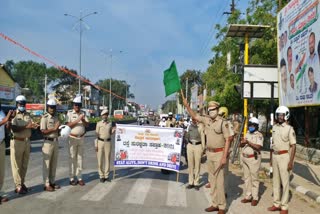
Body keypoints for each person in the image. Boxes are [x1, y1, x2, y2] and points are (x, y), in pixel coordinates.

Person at [183, 98, 231, 214]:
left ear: (217, 109)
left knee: (219, 183)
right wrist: (187, 106)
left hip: (219, 154)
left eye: (213, 109)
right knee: (213, 181)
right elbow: (195, 117)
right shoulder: (207, 120)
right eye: (209, 110)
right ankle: (214, 204)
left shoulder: (222, 123)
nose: (211, 111)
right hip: (209, 153)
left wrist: (224, 156)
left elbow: (228, 139)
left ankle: (222, 207)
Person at [267, 106, 296, 214]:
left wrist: (291, 161)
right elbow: (272, 144)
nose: (280, 117)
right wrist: (270, 159)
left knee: (285, 182)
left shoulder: (289, 129)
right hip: (275, 156)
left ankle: (284, 207)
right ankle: (276, 204)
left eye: (282, 115)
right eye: (279, 115)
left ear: (286, 115)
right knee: (275, 181)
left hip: (284, 157)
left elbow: (293, 146)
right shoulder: (274, 127)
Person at [9, 95, 39, 194]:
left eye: (23, 103)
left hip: (26, 141)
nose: (22, 105)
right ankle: (18, 186)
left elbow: (30, 125)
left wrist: (34, 125)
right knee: (16, 165)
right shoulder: (14, 114)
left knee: (24, 165)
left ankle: (22, 183)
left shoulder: (28, 114)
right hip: (17, 141)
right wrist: (27, 126)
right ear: (16, 104)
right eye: (20, 103)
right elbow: (13, 128)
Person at [240, 117, 263, 206]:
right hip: (245, 158)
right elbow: (241, 145)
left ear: (256, 126)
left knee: (254, 178)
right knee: (247, 178)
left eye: (253, 125)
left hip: (254, 159)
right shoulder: (247, 133)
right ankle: (248, 196)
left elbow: (258, 147)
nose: (251, 127)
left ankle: (255, 197)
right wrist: (242, 142)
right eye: (250, 125)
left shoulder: (259, 135)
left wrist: (248, 142)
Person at [66, 95, 89, 186]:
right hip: (72, 138)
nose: (77, 107)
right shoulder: (69, 113)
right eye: (76, 105)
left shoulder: (83, 113)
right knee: (72, 158)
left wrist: (83, 120)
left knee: (80, 159)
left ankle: (79, 177)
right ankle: (71, 178)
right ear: (73, 105)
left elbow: (87, 125)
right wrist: (77, 120)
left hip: (81, 138)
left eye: (79, 105)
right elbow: (68, 125)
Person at [40, 99, 61, 192]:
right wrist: (54, 129)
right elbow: (43, 131)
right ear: (47, 107)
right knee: (47, 164)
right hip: (48, 142)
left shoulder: (56, 117)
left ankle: (52, 181)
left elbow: (58, 130)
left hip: (56, 141)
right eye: (50, 107)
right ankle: (46, 184)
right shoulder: (45, 117)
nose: (52, 109)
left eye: (53, 107)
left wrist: (60, 130)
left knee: (54, 163)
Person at [95, 109, 115, 183]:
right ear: (101, 116)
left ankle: (106, 176)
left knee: (107, 159)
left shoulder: (110, 123)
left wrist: (113, 131)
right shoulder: (98, 123)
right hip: (100, 142)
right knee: (100, 159)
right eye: (104, 115)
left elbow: (110, 133)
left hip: (108, 142)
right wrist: (96, 144)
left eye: (106, 114)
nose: (105, 116)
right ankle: (101, 175)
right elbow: (96, 135)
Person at [185, 118, 204, 191]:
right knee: (190, 165)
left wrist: (203, 148)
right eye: (193, 120)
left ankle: (196, 183)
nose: (194, 121)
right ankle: (191, 182)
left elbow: (202, 137)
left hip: (198, 146)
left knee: (197, 165)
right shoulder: (189, 126)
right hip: (190, 145)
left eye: (195, 120)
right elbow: (187, 136)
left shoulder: (200, 127)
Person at [0, 103, 13, 203]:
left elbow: (5, 124)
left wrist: (8, 122)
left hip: (1, 143)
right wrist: (7, 117)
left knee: (1, 171)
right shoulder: (4, 114)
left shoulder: (1, 112)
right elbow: (2, 122)